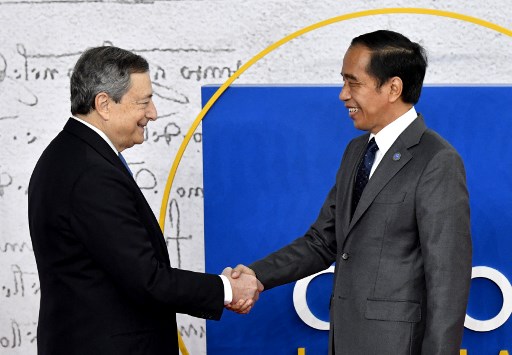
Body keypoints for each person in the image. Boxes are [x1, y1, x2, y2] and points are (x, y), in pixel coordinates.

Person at [229, 30, 472, 354]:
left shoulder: (437, 160)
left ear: (393, 88)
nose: (343, 94)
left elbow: (448, 282)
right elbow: (322, 241)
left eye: (353, 82)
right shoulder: (356, 151)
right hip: (343, 339)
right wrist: (257, 274)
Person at [28, 46, 261, 355]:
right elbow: (147, 280)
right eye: (144, 101)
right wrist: (228, 289)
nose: (153, 113)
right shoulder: (90, 173)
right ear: (104, 104)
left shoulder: (70, 155)